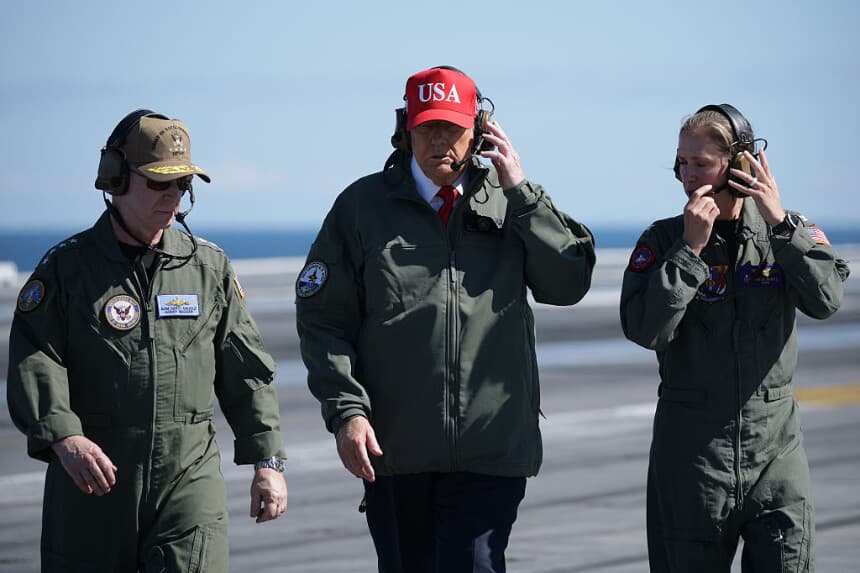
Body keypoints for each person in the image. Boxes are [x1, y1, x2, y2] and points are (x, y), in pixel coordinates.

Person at [295, 65, 595, 572]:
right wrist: (347, 411)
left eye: (452, 128)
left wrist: (522, 195)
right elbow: (324, 320)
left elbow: (568, 284)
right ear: (405, 129)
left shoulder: (512, 201)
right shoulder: (360, 208)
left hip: (490, 449)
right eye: (427, 126)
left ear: (478, 131)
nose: (440, 140)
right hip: (394, 450)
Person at [7, 109, 288, 572]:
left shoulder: (209, 269)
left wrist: (268, 462)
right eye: (161, 183)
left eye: (183, 184)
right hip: (93, 481)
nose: (174, 196)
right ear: (116, 180)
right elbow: (36, 356)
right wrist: (63, 436)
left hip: (187, 479)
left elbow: (247, 371)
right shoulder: (67, 271)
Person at [620, 103, 850, 572]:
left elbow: (826, 300)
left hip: (776, 453)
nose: (687, 176)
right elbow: (646, 329)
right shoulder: (664, 241)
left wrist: (781, 225)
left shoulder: (784, 233)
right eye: (681, 163)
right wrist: (690, 251)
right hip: (692, 458)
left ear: (741, 163)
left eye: (701, 163)